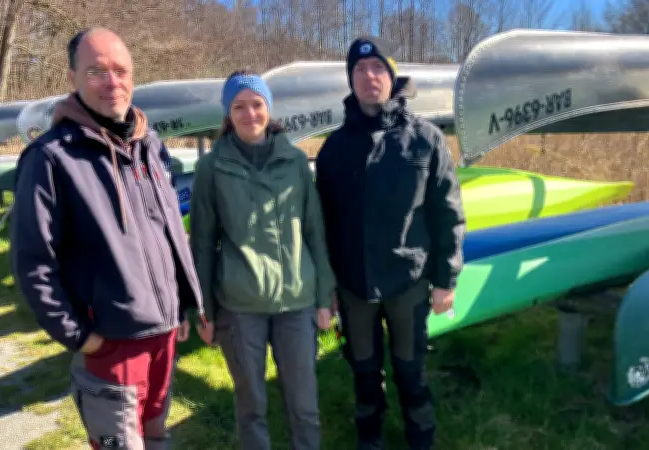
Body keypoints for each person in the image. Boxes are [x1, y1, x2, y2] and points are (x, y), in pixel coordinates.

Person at [9, 27, 208, 450]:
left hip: (164, 335)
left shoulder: (150, 146)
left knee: (156, 437)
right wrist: (78, 336)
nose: (112, 82)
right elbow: (33, 262)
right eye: (97, 71)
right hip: (110, 344)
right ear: (72, 77)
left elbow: (169, 231)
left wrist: (181, 307)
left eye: (121, 71)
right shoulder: (51, 158)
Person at [314, 36, 466, 450]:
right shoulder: (334, 149)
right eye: (360, 70)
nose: (370, 76)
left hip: (408, 281)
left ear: (392, 76)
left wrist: (446, 279)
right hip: (354, 284)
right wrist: (326, 287)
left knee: (410, 369)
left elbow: (448, 212)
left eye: (378, 68)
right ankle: (370, 436)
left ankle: (421, 436)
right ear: (351, 80)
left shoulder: (426, 139)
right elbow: (322, 223)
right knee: (364, 369)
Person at [189, 69, 337, 450]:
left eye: (257, 104)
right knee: (250, 406)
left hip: (297, 302)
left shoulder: (295, 162)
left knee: (304, 405)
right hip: (240, 307)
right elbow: (202, 244)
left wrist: (324, 297)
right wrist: (204, 312)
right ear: (228, 113)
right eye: (239, 106)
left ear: (269, 108)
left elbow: (315, 232)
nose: (249, 114)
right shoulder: (211, 168)